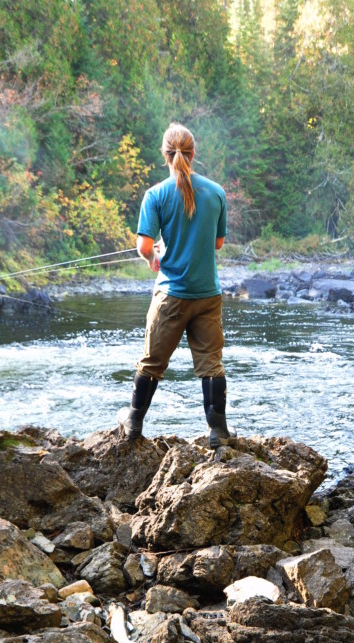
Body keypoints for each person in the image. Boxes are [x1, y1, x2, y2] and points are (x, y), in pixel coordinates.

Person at [118, 122, 234, 448]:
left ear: (164, 155)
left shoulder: (155, 195)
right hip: (208, 294)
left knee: (152, 363)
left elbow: (144, 247)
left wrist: (153, 256)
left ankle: (133, 423)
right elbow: (219, 242)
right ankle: (218, 432)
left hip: (171, 295)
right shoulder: (216, 193)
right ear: (193, 154)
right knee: (211, 363)